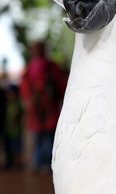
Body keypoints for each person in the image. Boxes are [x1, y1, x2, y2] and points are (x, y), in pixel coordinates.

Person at [20, 42, 67, 171]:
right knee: (43, 137)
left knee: (44, 137)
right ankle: (46, 163)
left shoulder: (45, 67)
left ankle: (44, 163)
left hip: (44, 108)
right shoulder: (47, 66)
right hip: (41, 109)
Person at [4, 84, 23, 168]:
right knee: (9, 148)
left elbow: (21, 113)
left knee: (17, 148)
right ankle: (10, 162)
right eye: (8, 93)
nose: (9, 95)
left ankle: (18, 163)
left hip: (16, 131)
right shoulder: (6, 104)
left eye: (11, 93)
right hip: (7, 131)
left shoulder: (18, 103)